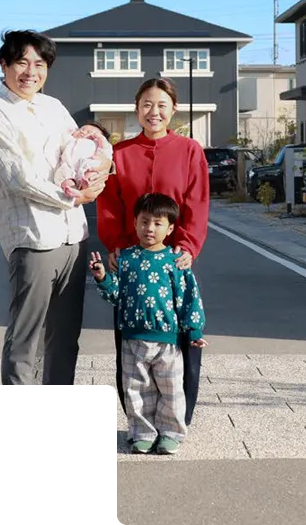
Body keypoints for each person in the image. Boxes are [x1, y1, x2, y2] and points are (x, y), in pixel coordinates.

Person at [0, 29, 113, 389]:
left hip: (73, 235)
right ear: (4, 64)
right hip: (33, 236)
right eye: (21, 62)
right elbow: (17, 177)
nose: (31, 71)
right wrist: (74, 197)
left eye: (39, 63)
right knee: (26, 340)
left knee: (66, 337)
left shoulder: (53, 107)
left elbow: (79, 154)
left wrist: (98, 174)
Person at [95, 78, 210, 424]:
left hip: (173, 261)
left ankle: (176, 421)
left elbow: (197, 203)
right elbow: (109, 205)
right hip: (131, 263)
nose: (154, 112)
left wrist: (187, 246)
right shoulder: (120, 153)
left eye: (162, 105)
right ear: (136, 108)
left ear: (174, 109)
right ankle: (139, 422)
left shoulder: (190, 151)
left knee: (179, 345)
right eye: (147, 104)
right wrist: (116, 245)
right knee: (131, 349)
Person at [88, 192, 206, 455]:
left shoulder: (176, 261)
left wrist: (194, 330)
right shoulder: (127, 259)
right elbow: (115, 295)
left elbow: (189, 297)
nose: (149, 229)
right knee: (136, 390)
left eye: (157, 223)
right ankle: (141, 432)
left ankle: (171, 433)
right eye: (144, 222)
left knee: (171, 389)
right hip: (132, 337)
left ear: (171, 227)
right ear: (134, 223)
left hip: (168, 340)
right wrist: (103, 277)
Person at [53, 121, 114, 200]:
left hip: (87, 162)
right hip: (68, 165)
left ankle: (86, 184)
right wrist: (70, 133)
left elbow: (106, 152)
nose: (83, 132)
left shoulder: (96, 144)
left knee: (92, 170)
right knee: (63, 175)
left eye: (89, 132)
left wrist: (101, 138)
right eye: (81, 129)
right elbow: (62, 140)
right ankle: (71, 190)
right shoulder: (71, 140)